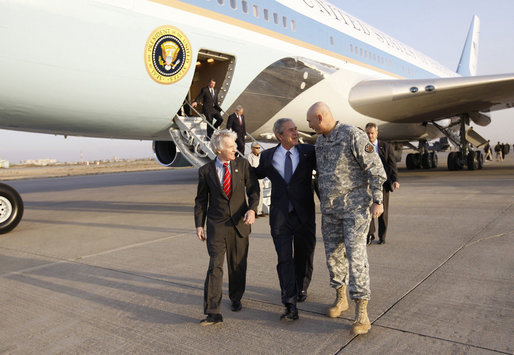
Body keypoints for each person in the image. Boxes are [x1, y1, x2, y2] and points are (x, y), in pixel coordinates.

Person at [306, 102, 386, 336]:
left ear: (320, 117)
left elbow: (376, 168)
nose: (310, 126)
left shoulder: (352, 135)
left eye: (311, 122)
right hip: (330, 210)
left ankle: (362, 312)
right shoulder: (320, 141)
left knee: (356, 257)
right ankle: (341, 298)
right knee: (333, 256)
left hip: (354, 209)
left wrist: (378, 200)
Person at [194, 129, 260, 326]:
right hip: (216, 226)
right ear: (219, 150)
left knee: (237, 265)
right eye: (231, 146)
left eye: (235, 145)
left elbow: (254, 189)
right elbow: (200, 200)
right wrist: (199, 224)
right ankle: (213, 312)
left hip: (240, 224)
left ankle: (236, 297)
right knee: (215, 267)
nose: (236, 149)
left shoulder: (242, 164)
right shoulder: (205, 171)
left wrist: (253, 209)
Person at [254, 118, 317, 321]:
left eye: (296, 129)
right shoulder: (267, 156)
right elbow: (252, 176)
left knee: (304, 256)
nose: (296, 133)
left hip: (304, 215)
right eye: (291, 130)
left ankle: (301, 287)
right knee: (284, 260)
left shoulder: (308, 152)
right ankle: (289, 302)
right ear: (279, 136)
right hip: (280, 216)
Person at [365, 123, 400, 245]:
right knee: (368, 211)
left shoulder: (385, 146)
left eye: (372, 133)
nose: (370, 135)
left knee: (382, 212)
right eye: (368, 133)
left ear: (377, 133)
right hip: (367, 184)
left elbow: (392, 165)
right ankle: (370, 235)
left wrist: (395, 180)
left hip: (382, 184)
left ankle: (382, 235)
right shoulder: (363, 147)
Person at [246, 142, 264, 216]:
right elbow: (250, 166)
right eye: (256, 148)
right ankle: (254, 211)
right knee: (254, 194)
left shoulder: (260, 156)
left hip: (260, 177)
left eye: (259, 148)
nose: (258, 149)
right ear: (252, 148)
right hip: (253, 177)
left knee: (261, 194)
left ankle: (259, 210)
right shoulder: (249, 156)